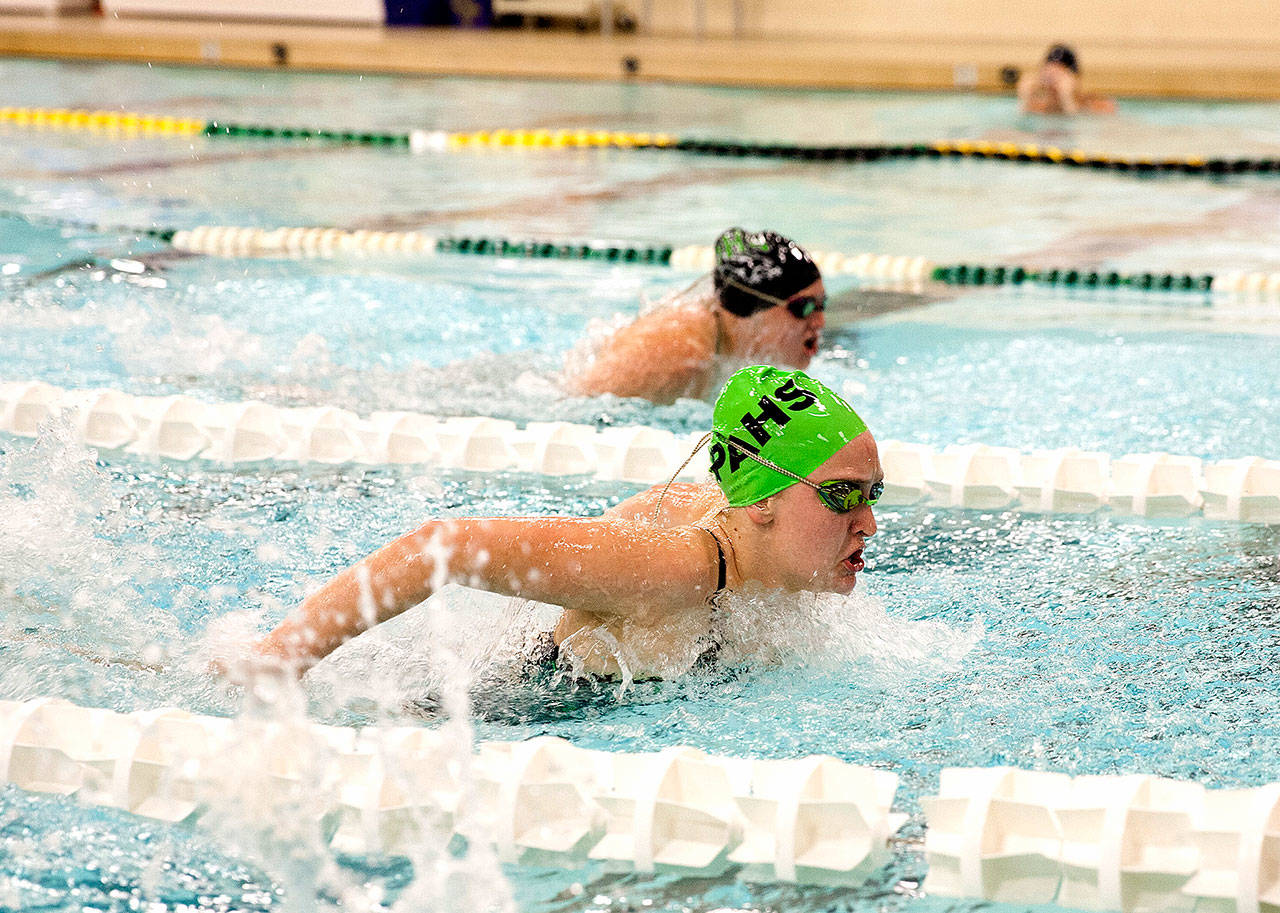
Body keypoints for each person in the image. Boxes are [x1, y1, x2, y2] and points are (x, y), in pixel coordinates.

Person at [242, 365, 882, 682]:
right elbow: (446, 546)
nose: (869, 524)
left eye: (873, 494)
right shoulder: (679, 569)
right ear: (763, 501)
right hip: (510, 711)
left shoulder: (763, 549)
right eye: (841, 496)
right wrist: (278, 664)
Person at [566, 228, 828, 405]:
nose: (819, 322)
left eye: (822, 305)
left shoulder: (730, 346)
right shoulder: (680, 354)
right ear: (754, 310)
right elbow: (585, 409)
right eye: (804, 307)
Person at [1017, 44, 1116, 115]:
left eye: (1060, 76)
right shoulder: (1038, 107)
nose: (1054, 84)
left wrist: (1067, 99)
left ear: (1075, 79)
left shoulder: (1098, 105)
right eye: (1049, 77)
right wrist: (1025, 99)